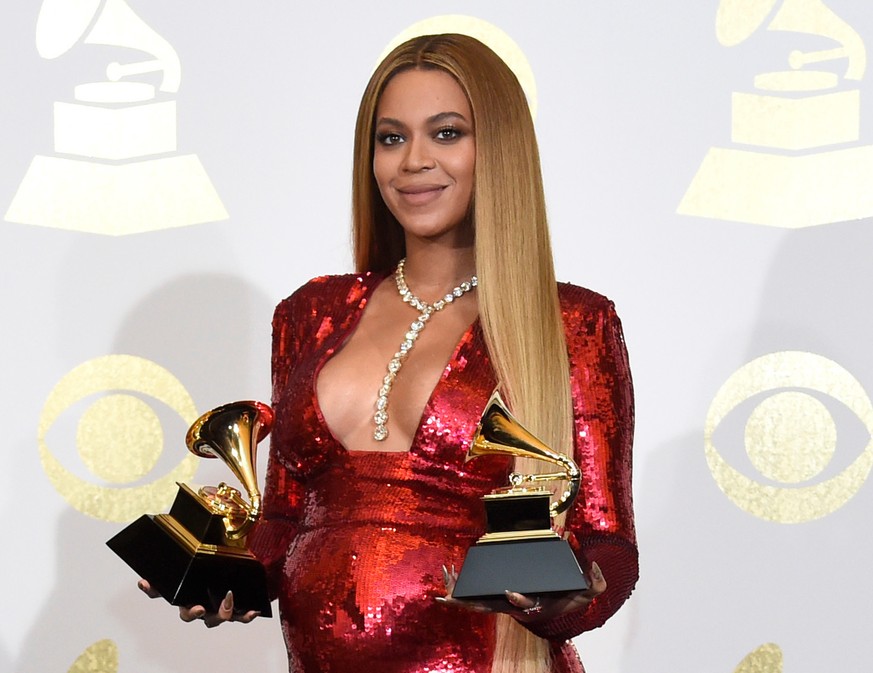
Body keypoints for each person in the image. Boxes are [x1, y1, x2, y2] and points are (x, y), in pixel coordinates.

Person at [140, 33, 637, 673]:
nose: (413, 161)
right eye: (392, 137)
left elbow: (607, 542)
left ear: (500, 150)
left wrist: (562, 599)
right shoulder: (310, 313)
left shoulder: (573, 321)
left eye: (448, 133)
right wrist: (223, 581)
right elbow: (287, 521)